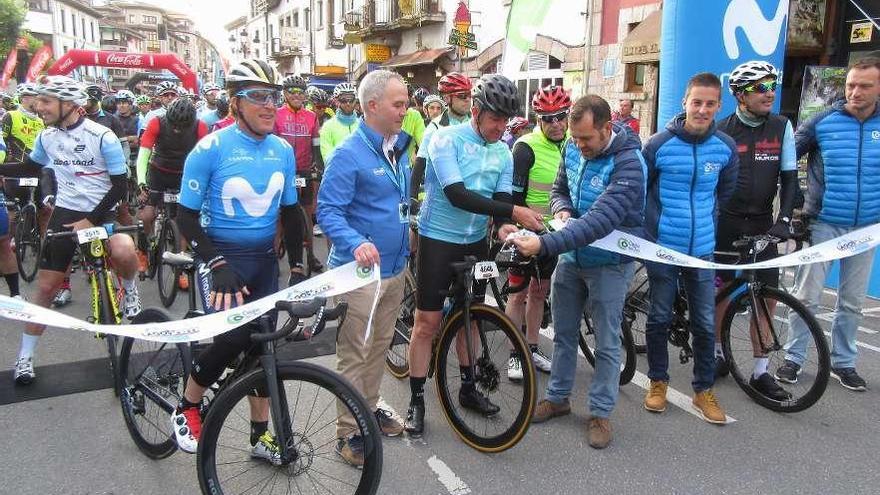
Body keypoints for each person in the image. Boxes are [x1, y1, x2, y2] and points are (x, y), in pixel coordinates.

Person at [168, 59, 305, 462]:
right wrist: (214, 262)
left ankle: (259, 436)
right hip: (222, 260)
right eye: (258, 96)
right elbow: (185, 216)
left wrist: (297, 267)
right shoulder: (209, 148)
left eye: (273, 97)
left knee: (262, 348)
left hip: (263, 262)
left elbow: (292, 214)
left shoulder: (281, 150)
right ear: (235, 102)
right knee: (231, 339)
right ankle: (188, 405)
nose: (268, 105)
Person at [403, 74, 545, 438]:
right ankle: (416, 399)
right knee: (427, 325)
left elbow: (500, 204)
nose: (501, 127)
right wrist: (513, 213)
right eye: (495, 119)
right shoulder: (443, 138)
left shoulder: (502, 151)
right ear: (477, 111)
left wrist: (503, 225)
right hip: (439, 240)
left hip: (475, 244)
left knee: (471, 320)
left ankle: (467, 388)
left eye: (506, 120)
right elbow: (456, 194)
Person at [512, 94, 646, 449]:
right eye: (575, 138)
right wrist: (561, 212)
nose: (579, 145)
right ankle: (557, 399)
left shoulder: (630, 163)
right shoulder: (572, 147)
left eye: (587, 138)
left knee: (606, 342)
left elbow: (600, 222)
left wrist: (545, 244)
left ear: (607, 128)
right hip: (572, 259)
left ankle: (600, 413)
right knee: (563, 334)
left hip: (609, 266)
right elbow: (560, 190)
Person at [9, 76, 140, 385]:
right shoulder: (47, 136)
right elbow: (30, 168)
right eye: (39, 101)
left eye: (46, 101)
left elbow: (120, 186)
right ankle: (25, 357)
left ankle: (130, 287)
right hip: (67, 212)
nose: (39, 107)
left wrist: (92, 220)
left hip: (102, 207)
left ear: (68, 104)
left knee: (123, 249)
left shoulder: (102, 135)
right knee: (45, 289)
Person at [317, 69, 412, 467]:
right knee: (354, 352)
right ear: (372, 106)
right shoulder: (349, 153)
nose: (406, 111)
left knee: (378, 347)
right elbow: (328, 210)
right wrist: (356, 242)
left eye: (406, 103)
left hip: (394, 270)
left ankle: (368, 408)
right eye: (399, 104)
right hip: (358, 277)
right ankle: (346, 432)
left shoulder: (397, 147)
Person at [641, 72, 739, 424]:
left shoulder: (725, 148)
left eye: (710, 104)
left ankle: (703, 390)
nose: (702, 109)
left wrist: (705, 225)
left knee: (703, 323)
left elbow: (723, 193)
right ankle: (658, 383)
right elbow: (642, 192)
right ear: (685, 102)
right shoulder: (657, 144)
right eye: (696, 102)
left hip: (702, 251)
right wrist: (652, 233)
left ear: (718, 106)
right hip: (664, 249)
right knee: (658, 319)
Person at [779, 57, 880, 392]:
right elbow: (788, 158)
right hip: (823, 224)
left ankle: (844, 363)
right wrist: (793, 203)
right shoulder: (823, 121)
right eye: (851, 84)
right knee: (806, 297)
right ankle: (793, 358)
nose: (855, 91)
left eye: (865, 86)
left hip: (866, 228)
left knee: (851, 302)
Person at [713, 61, 799, 400]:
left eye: (771, 85)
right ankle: (718, 354)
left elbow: (790, 178)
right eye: (760, 88)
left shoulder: (781, 126)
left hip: (764, 223)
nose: (769, 93)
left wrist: (786, 219)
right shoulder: (722, 130)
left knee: (765, 297)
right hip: (727, 223)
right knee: (721, 293)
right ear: (739, 94)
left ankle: (761, 370)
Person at [505, 85, 573, 380]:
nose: (556, 124)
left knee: (539, 292)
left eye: (561, 117)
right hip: (526, 232)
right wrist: (524, 226)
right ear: (538, 120)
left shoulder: (573, 143)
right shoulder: (525, 147)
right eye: (548, 119)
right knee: (518, 294)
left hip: (554, 235)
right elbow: (514, 197)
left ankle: (531, 347)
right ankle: (513, 354)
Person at [135, 97, 209, 288]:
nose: (177, 129)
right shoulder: (156, 123)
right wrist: (142, 182)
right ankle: (144, 250)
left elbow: (205, 158)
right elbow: (143, 155)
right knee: (147, 214)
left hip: (184, 175)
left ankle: (181, 266)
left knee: (185, 220)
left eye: (182, 126)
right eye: (174, 125)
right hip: (158, 172)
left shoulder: (200, 127)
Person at [275, 74, 324, 270]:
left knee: (307, 213)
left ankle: (310, 256)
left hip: (303, 170)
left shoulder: (311, 117)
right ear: (285, 94)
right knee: (280, 217)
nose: (296, 95)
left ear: (305, 95)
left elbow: (316, 144)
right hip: (283, 172)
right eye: (292, 91)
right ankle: (273, 256)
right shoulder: (277, 115)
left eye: (300, 92)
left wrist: (318, 166)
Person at [410, 72, 473, 209]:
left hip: (472, 200)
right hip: (441, 202)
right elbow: (420, 163)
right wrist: (412, 197)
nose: (467, 100)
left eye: (469, 95)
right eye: (462, 96)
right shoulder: (435, 127)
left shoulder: (475, 124)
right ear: (447, 98)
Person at [319, 82, 359, 162]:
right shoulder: (327, 127)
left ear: (355, 100)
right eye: (343, 100)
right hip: (338, 172)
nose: (348, 103)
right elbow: (327, 157)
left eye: (351, 100)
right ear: (336, 101)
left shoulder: (362, 125)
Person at [114, 90, 141, 167]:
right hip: (117, 157)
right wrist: (130, 138)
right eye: (119, 103)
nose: (121, 105)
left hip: (135, 158)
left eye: (124, 103)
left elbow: (138, 141)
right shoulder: (112, 119)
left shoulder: (139, 119)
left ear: (131, 104)